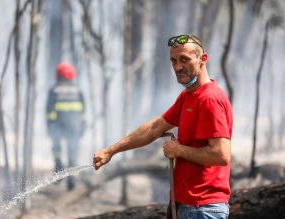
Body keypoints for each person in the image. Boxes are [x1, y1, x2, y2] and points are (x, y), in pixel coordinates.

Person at [93, 35, 232, 219]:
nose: (177, 67)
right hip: (186, 205)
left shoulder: (209, 99)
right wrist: (111, 151)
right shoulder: (188, 96)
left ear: (203, 59)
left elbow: (221, 155)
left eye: (184, 59)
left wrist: (179, 150)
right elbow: (153, 127)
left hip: (204, 208)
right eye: (173, 61)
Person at [46, 61, 85, 190]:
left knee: (57, 149)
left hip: (58, 126)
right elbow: (83, 112)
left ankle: (58, 169)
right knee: (73, 154)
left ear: (58, 75)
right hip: (74, 127)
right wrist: (82, 126)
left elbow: (49, 111)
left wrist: (50, 126)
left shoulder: (54, 90)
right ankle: (72, 181)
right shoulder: (78, 90)